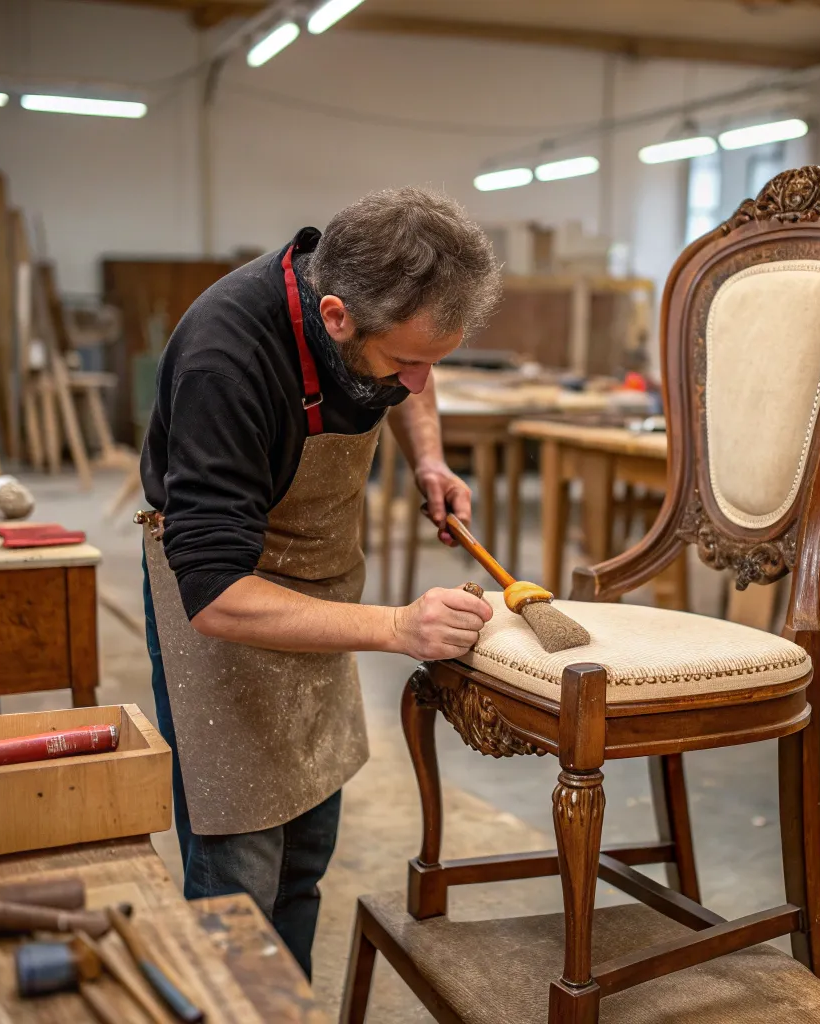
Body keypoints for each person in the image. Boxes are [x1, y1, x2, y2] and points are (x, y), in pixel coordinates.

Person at [138, 187, 501, 978]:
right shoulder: (225, 360)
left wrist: (429, 459)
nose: (415, 382)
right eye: (403, 361)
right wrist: (398, 629)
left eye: (431, 361)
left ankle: (289, 1001)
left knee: (304, 858)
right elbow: (216, 593)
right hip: (233, 599)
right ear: (335, 317)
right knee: (239, 873)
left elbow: (414, 376)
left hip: (323, 583)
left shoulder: (382, 319)